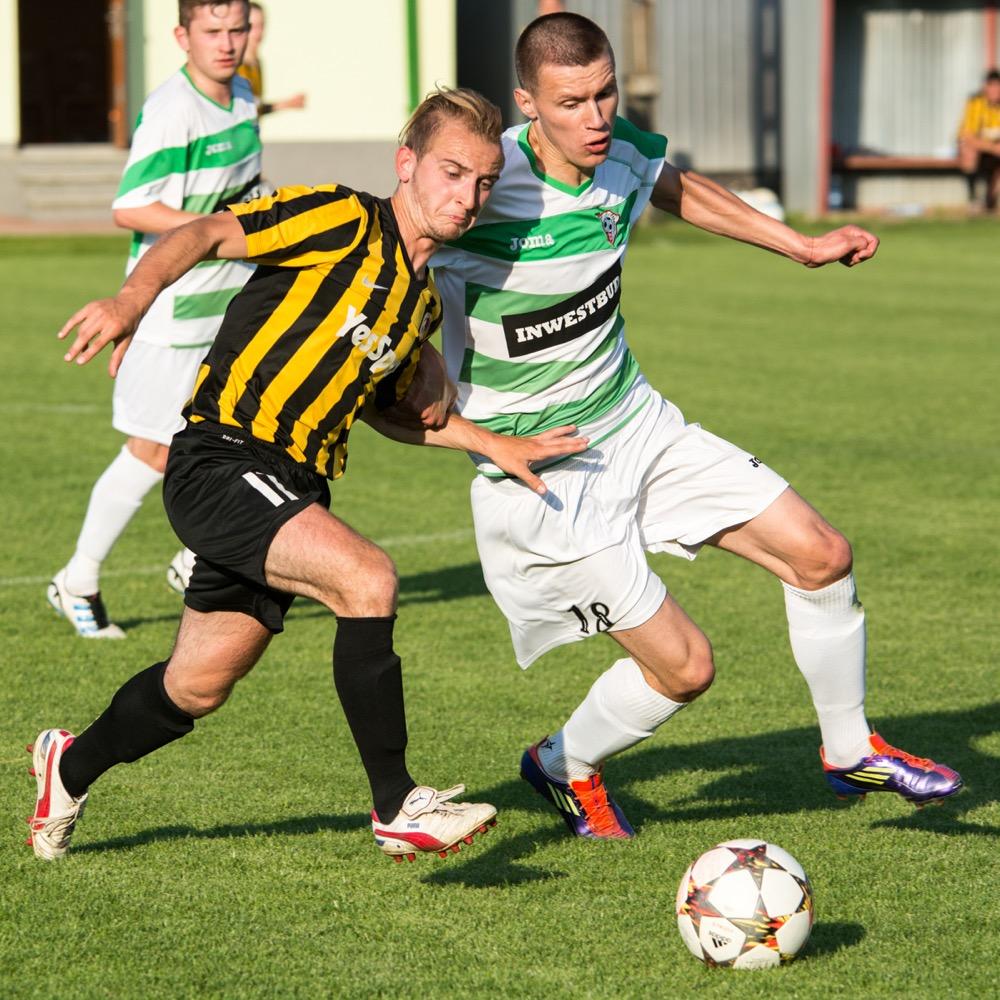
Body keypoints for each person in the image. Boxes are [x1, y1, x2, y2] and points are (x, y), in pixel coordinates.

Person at [428, 13, 963, 840]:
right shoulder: (483, 193)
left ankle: (850, 748)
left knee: (821, 554)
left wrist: (799, 246)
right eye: (571, 103)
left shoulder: (618, 152)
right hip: (543, 473)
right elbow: (392, 274)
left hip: (636, 422)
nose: (597, 117)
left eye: (606, 94)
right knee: (686, 669)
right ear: (527, 103)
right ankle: (563, 762)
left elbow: (671, 183)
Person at [27, 86, 587, 863]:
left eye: (484, 182)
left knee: (195, 687)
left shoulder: (420, 305)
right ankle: (397, 804)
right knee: (368, 577)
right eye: (453, 172)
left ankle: (68, 767)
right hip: (223, 457)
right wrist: (131, 300)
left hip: (293, 489)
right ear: (408, 163)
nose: (467, 197)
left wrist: (491, 443)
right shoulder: (342, 217)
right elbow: (206, 230)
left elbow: (388, 410)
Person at [49, 0, 267, 638]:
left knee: (242, 435)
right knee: (153, 449)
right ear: (181, 35)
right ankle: (78, 579)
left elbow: (243, 193)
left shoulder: (244, 94)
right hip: (171, 312)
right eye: (212, 31)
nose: (226, 43)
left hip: (228, 304)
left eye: (236, 29)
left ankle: (198, 559)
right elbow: (131, 207)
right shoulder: (173, 110)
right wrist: (221, 230)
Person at [237, 2, 307, 117]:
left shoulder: (256, 63)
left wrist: (285, 104)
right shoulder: (233, 66)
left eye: (262, 25)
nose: (259, 32)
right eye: (253, 26)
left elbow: (254, 107)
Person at [957, 68, 1000, 212]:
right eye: (992, 86)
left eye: (998, 87)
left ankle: (991, 200)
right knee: (968, 149)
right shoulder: (975, 103)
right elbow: (967, 137)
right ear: (985, 87)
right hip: (982, 150)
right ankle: (973, 199)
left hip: (995, 154)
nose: (995, 91)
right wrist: (993, 148)